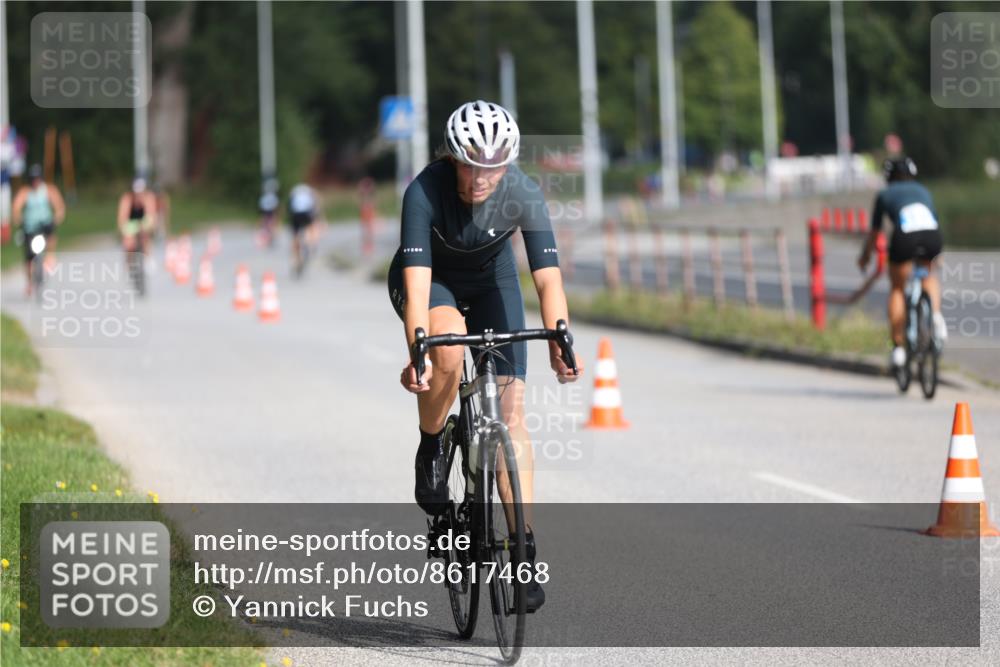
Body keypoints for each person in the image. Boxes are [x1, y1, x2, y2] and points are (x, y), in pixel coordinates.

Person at [387, 100, 584, 612]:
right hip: (435, 283)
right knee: (448, 349)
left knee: (512, 415)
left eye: (493, 166)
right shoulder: (424, 192)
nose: (481, 177)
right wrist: (420, 352)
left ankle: (522, 555)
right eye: (471, 163)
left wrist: (561, 341)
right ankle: (432, 444)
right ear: (453, 156)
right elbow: (417, 281)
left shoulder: (521, 190)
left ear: (508, 162)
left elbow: (547, 278)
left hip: (493, 283)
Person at [858, 156, 946, 369]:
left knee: (897, 288)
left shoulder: (884, 195)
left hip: (904, 238)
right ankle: (935, 316)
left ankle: (897, 347)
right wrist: (938, 257)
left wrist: (865, 256)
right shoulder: (923, 191)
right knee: (929, 276)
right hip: (932, 236)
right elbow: (931, 220)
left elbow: (874, 232)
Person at [12, 164, 65, 295]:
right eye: (33, 178)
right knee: (29, 258)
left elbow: (59, 207)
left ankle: (49, 259)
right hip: (30, 227)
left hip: (45, 225)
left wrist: (55, 219)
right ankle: (30, 283)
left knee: (51, 238)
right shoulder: (25, 192)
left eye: (37, 178)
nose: (35, 181)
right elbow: (16, 208)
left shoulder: (49, 190)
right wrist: (19, 220)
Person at [117, 177, 158, 258]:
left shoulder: (149, 198)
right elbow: (122, 216)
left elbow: (151, 215)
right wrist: (122, 230)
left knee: (145, 236)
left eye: (141, 192)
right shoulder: (127, 198)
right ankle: (128, 260)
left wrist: (151, 227)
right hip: (131, 222)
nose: (139, 195)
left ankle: (147, 257)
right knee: (128, 242)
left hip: (143, 221)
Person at [287, 182, 318, 276]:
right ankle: (308, 244)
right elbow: (314, 204)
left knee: (295, 235)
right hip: (307, 213)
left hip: (295, 215)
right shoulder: (309, 190)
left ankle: (296, 254)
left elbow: (289, 206)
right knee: (310, 228)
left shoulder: (294, 191)